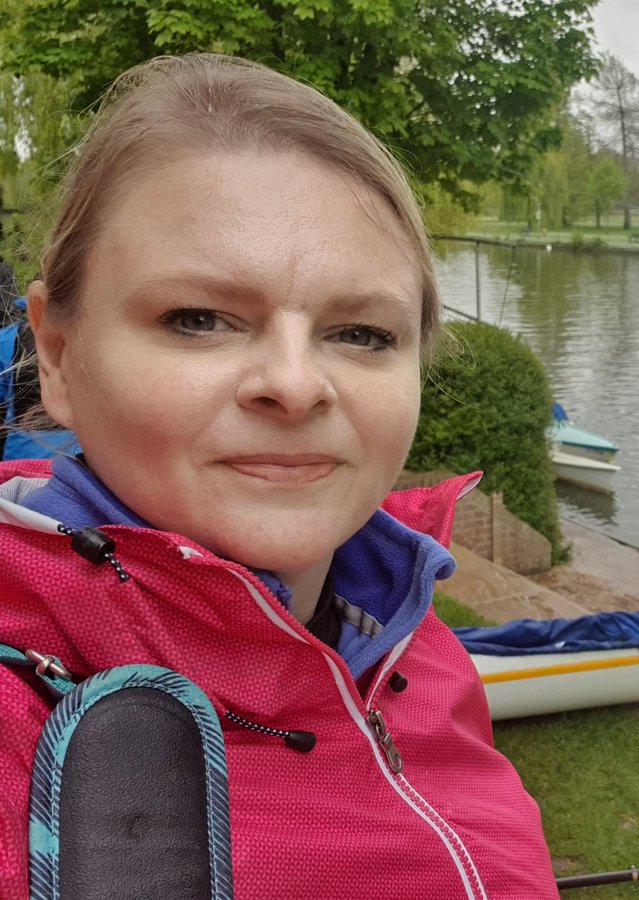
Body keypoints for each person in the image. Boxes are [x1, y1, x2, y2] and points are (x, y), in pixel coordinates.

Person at [0, 54, 557, 898]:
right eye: (198, 319)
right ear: (59, 355)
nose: (296, 384)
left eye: (362, 332)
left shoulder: (407, 632)